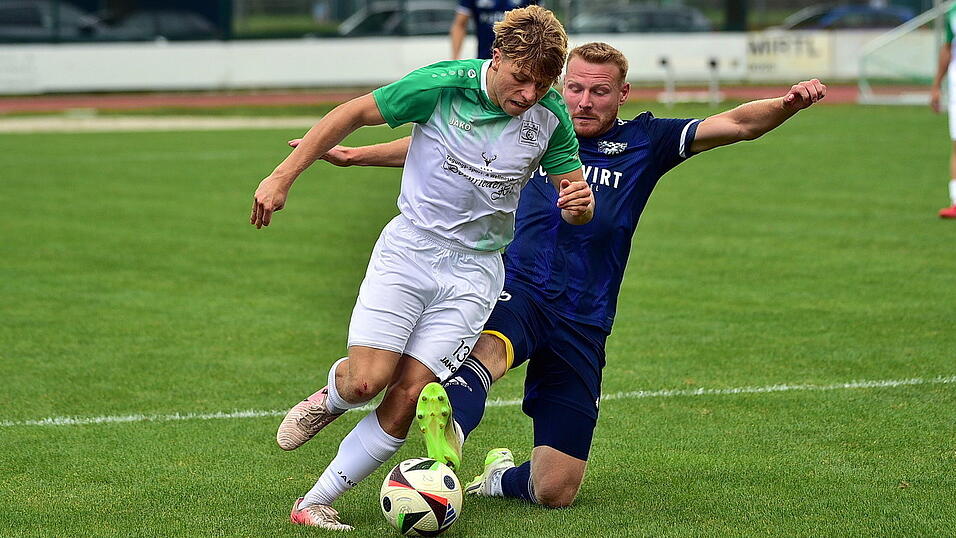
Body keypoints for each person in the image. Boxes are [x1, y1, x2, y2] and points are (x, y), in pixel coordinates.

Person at [300, 42, 827, 509]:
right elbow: (439, 146)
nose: (583, 101)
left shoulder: (649, 142)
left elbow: (736, 124)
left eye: (599, 92)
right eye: (574, 87)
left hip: (587, 314)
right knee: (488, 353)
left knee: (557, 490)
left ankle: (497, 479)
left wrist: (786, 105)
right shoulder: (535, 122)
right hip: (520, 286)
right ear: (561, 84)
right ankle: (448, 437)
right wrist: (356, 156)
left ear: (623, 94)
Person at [254, 6, 593, 530]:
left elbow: (573, 200)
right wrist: (283, 177)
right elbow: (351, 113)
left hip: (476, 274)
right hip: (409, 253)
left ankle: (313, 502)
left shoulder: (551, 117)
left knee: (410, 393)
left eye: (543, 83)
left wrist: (578, 205)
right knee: (368, 382)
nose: (529, 94)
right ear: (496, 57)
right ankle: (335, 394)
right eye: (521, 79)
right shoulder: (441, 85)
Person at [930, 1, 956, 219]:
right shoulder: (953, 12)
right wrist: (937, 86)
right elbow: (948, 48)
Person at [450, 0, 538, 60]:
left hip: (519, 60)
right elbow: (459, 25)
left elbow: (539, 24)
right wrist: (455, 60)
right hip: (484, 60)